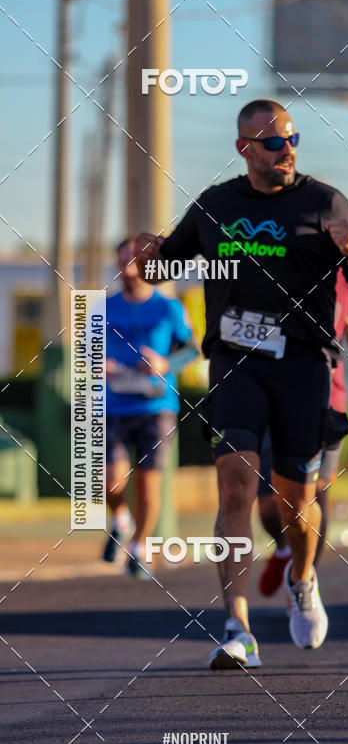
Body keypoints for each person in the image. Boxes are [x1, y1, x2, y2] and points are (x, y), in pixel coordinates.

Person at [134, 99, 348, 668]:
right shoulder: (216, 205)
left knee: (298, 500)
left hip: (303, 366)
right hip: (235, 363)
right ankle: (236, 626)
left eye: (293, 139)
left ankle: (302, 578)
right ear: (244, 148)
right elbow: (162, 266)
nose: (287, 150)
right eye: (273, 143)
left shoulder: (325, 201)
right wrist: (150, 257)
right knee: (235, 489)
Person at [257, 265, 348, 596]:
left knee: (314, 493)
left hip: (327, 398)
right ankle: (286, 549)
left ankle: (303, 578)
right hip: (272, 395)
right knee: (269, 506)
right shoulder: (277, 264)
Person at [103, 239, 198, 577]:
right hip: (114, 404)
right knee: (110, 482)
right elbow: (86, 349)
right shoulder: (104, 306)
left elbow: (191, 349)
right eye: (121, 263)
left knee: (148, 484)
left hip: (156, 407)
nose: (127, 271)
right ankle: (121, 519)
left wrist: (164, 363)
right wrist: (100, 363)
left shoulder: (168, 307)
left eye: (134, 263)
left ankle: (139, 547)